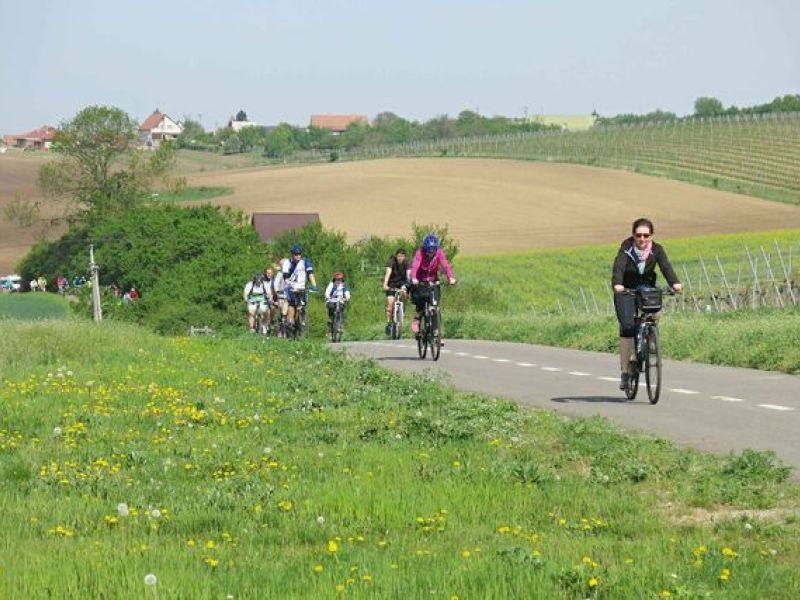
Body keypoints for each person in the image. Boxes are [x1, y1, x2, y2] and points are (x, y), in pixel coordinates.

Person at [612, 217, 682, 390]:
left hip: (646, 289)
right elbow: (618, 267)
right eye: (638, 235)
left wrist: (675, 283)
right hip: (626, 290)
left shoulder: (657, 250)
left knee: (654, 307)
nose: (642, 239)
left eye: (646, 235)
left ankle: (650, 336)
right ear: (633, 235)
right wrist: (617, 284)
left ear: (651, 236)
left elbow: (666, 267)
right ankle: (626, 370)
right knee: (627, 326)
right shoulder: (626, 248)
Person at [409, 234, 456, 336]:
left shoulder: (439, 253)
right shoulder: (419, 253)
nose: (430, 253)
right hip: (420, 280)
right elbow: (415, 267)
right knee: (420, 301)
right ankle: (416, 319)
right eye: (428, 251)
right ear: (425, 249)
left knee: (436, 306)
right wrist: (414, 278)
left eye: (433, 250)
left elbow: (445, 265)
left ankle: (437, 332)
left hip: (434, 280)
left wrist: (450, 278)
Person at [280, 244, 318, 331]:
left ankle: (301, 321)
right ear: (292, 255)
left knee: (302, 305)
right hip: (291, 288)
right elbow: (285, 276)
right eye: (296, 254)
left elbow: (310, 274)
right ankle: (290, 322)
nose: (298, 256)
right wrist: (288, 284)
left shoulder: (305, 262)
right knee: (291, 304)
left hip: (301, 288)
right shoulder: (287, 263)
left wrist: (314, 285)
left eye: (299, 254)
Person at [382, 248, 410, 336]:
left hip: (402, 284)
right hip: (392, 284)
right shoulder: (391, 261)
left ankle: (402, 310)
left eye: (402, 256)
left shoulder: (407, 263)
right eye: (398, 256)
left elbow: (409, 274)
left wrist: (408, 284)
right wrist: (385, 285)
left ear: (405, 257)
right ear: (396, 256)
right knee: (390, 305)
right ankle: (388, 323)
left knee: (405, 294)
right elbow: (388, 273)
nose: (400, 258)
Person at [268, 258, 288, 337]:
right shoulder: (280, 274)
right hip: (280, 295)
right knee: (279, 312)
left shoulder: (292, 272)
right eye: (283, 264)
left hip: (289, 295)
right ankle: (278, 329)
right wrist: (277, 295)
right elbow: (275, 286)